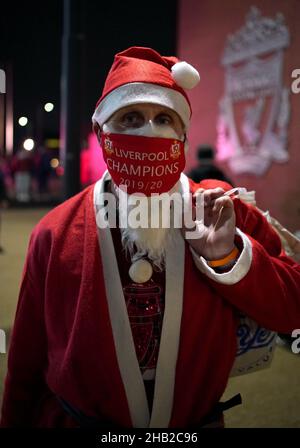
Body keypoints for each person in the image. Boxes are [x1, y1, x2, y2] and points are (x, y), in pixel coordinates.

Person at [1, 46, 300, 428]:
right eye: (130, 118)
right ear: (101, 132)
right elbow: (26, 361)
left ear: (182, 134)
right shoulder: (55, 231)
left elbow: (292, 310)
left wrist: (228, 257)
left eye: (163, 118)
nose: (149, 131)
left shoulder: (223, 211)